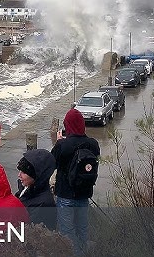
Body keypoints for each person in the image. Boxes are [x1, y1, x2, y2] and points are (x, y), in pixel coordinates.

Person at [51, 108, 100, 255]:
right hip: (84, 194)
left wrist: (59, 142)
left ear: (67, 125)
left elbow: (53, 163)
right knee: (82, 229)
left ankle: (76, 253)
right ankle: (83, 252)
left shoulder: (63, 145)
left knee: (67, 231)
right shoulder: (93, 144)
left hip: (66, 194)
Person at [14, 149, 57, 230]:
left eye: (24, 172)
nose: (19, 175)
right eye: (19, 170)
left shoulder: (44, 204)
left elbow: (33, 234)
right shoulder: (26, 187)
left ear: (37, 175)